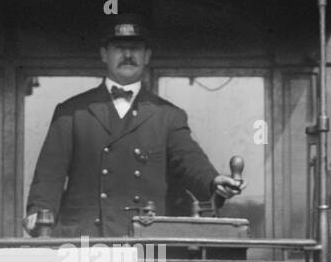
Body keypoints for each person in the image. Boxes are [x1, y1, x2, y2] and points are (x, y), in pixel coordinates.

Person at [24, 15, 245, 237]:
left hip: (144, 241)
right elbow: (49, 176)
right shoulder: (71, 112)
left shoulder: (168, 115)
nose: (128, 55)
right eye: (120, 48)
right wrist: (38, 211)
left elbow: (189, 159)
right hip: (85, 241)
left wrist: (214, 180)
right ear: (104, 55)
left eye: (135, 49)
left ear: (147, 56)